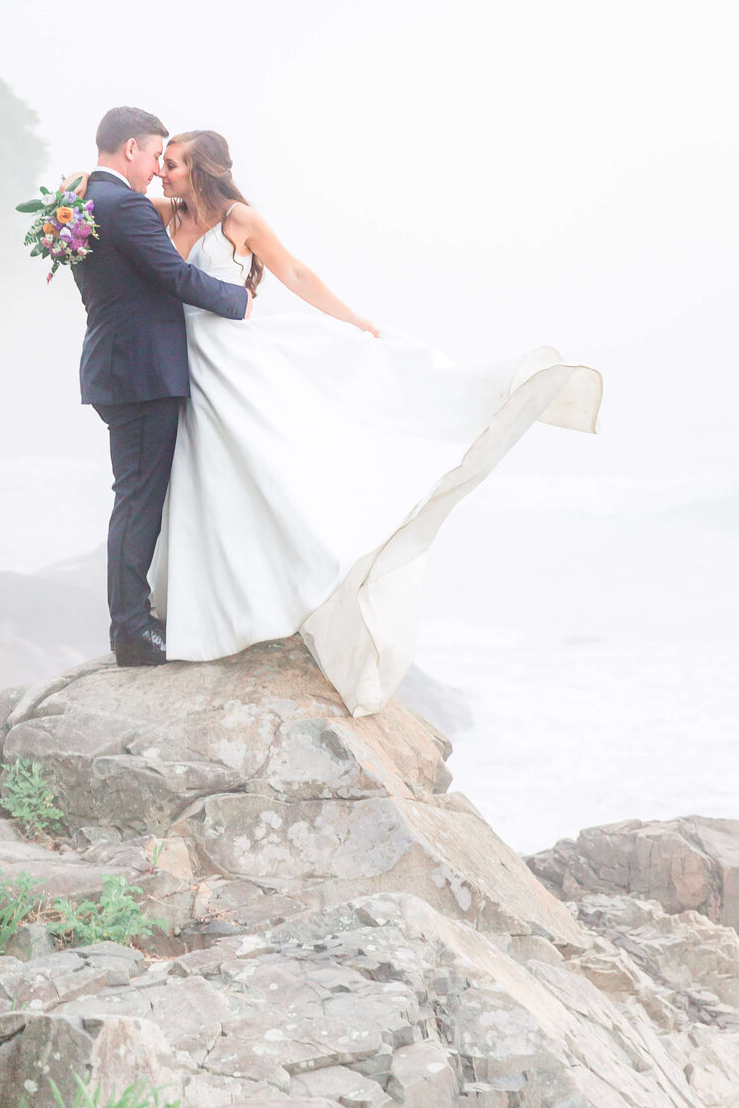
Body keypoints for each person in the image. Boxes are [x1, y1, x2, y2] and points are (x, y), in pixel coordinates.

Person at [139, 129, 603, 716]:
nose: (162, 173)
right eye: (161, 164)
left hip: (233, 363)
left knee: (265, 471)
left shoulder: (239, 218)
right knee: (203, 480)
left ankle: (309, 575)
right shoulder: (164, 213)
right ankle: (205, 609)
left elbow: (296, 273)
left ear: (201, 169)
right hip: (187, 364)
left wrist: (354, 319)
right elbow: (98, 196)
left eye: (173, 164)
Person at [67, 107, 249, 668]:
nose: (154, 169)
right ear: (130, 150)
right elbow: (173, 275)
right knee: (138, 503)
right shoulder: (121, 206)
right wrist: (237, 300)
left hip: (115, 366)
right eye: (153, 155)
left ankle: (133, 621)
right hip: (141, 374)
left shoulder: (78, 205)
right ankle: (132, 631)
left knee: (134, 499)